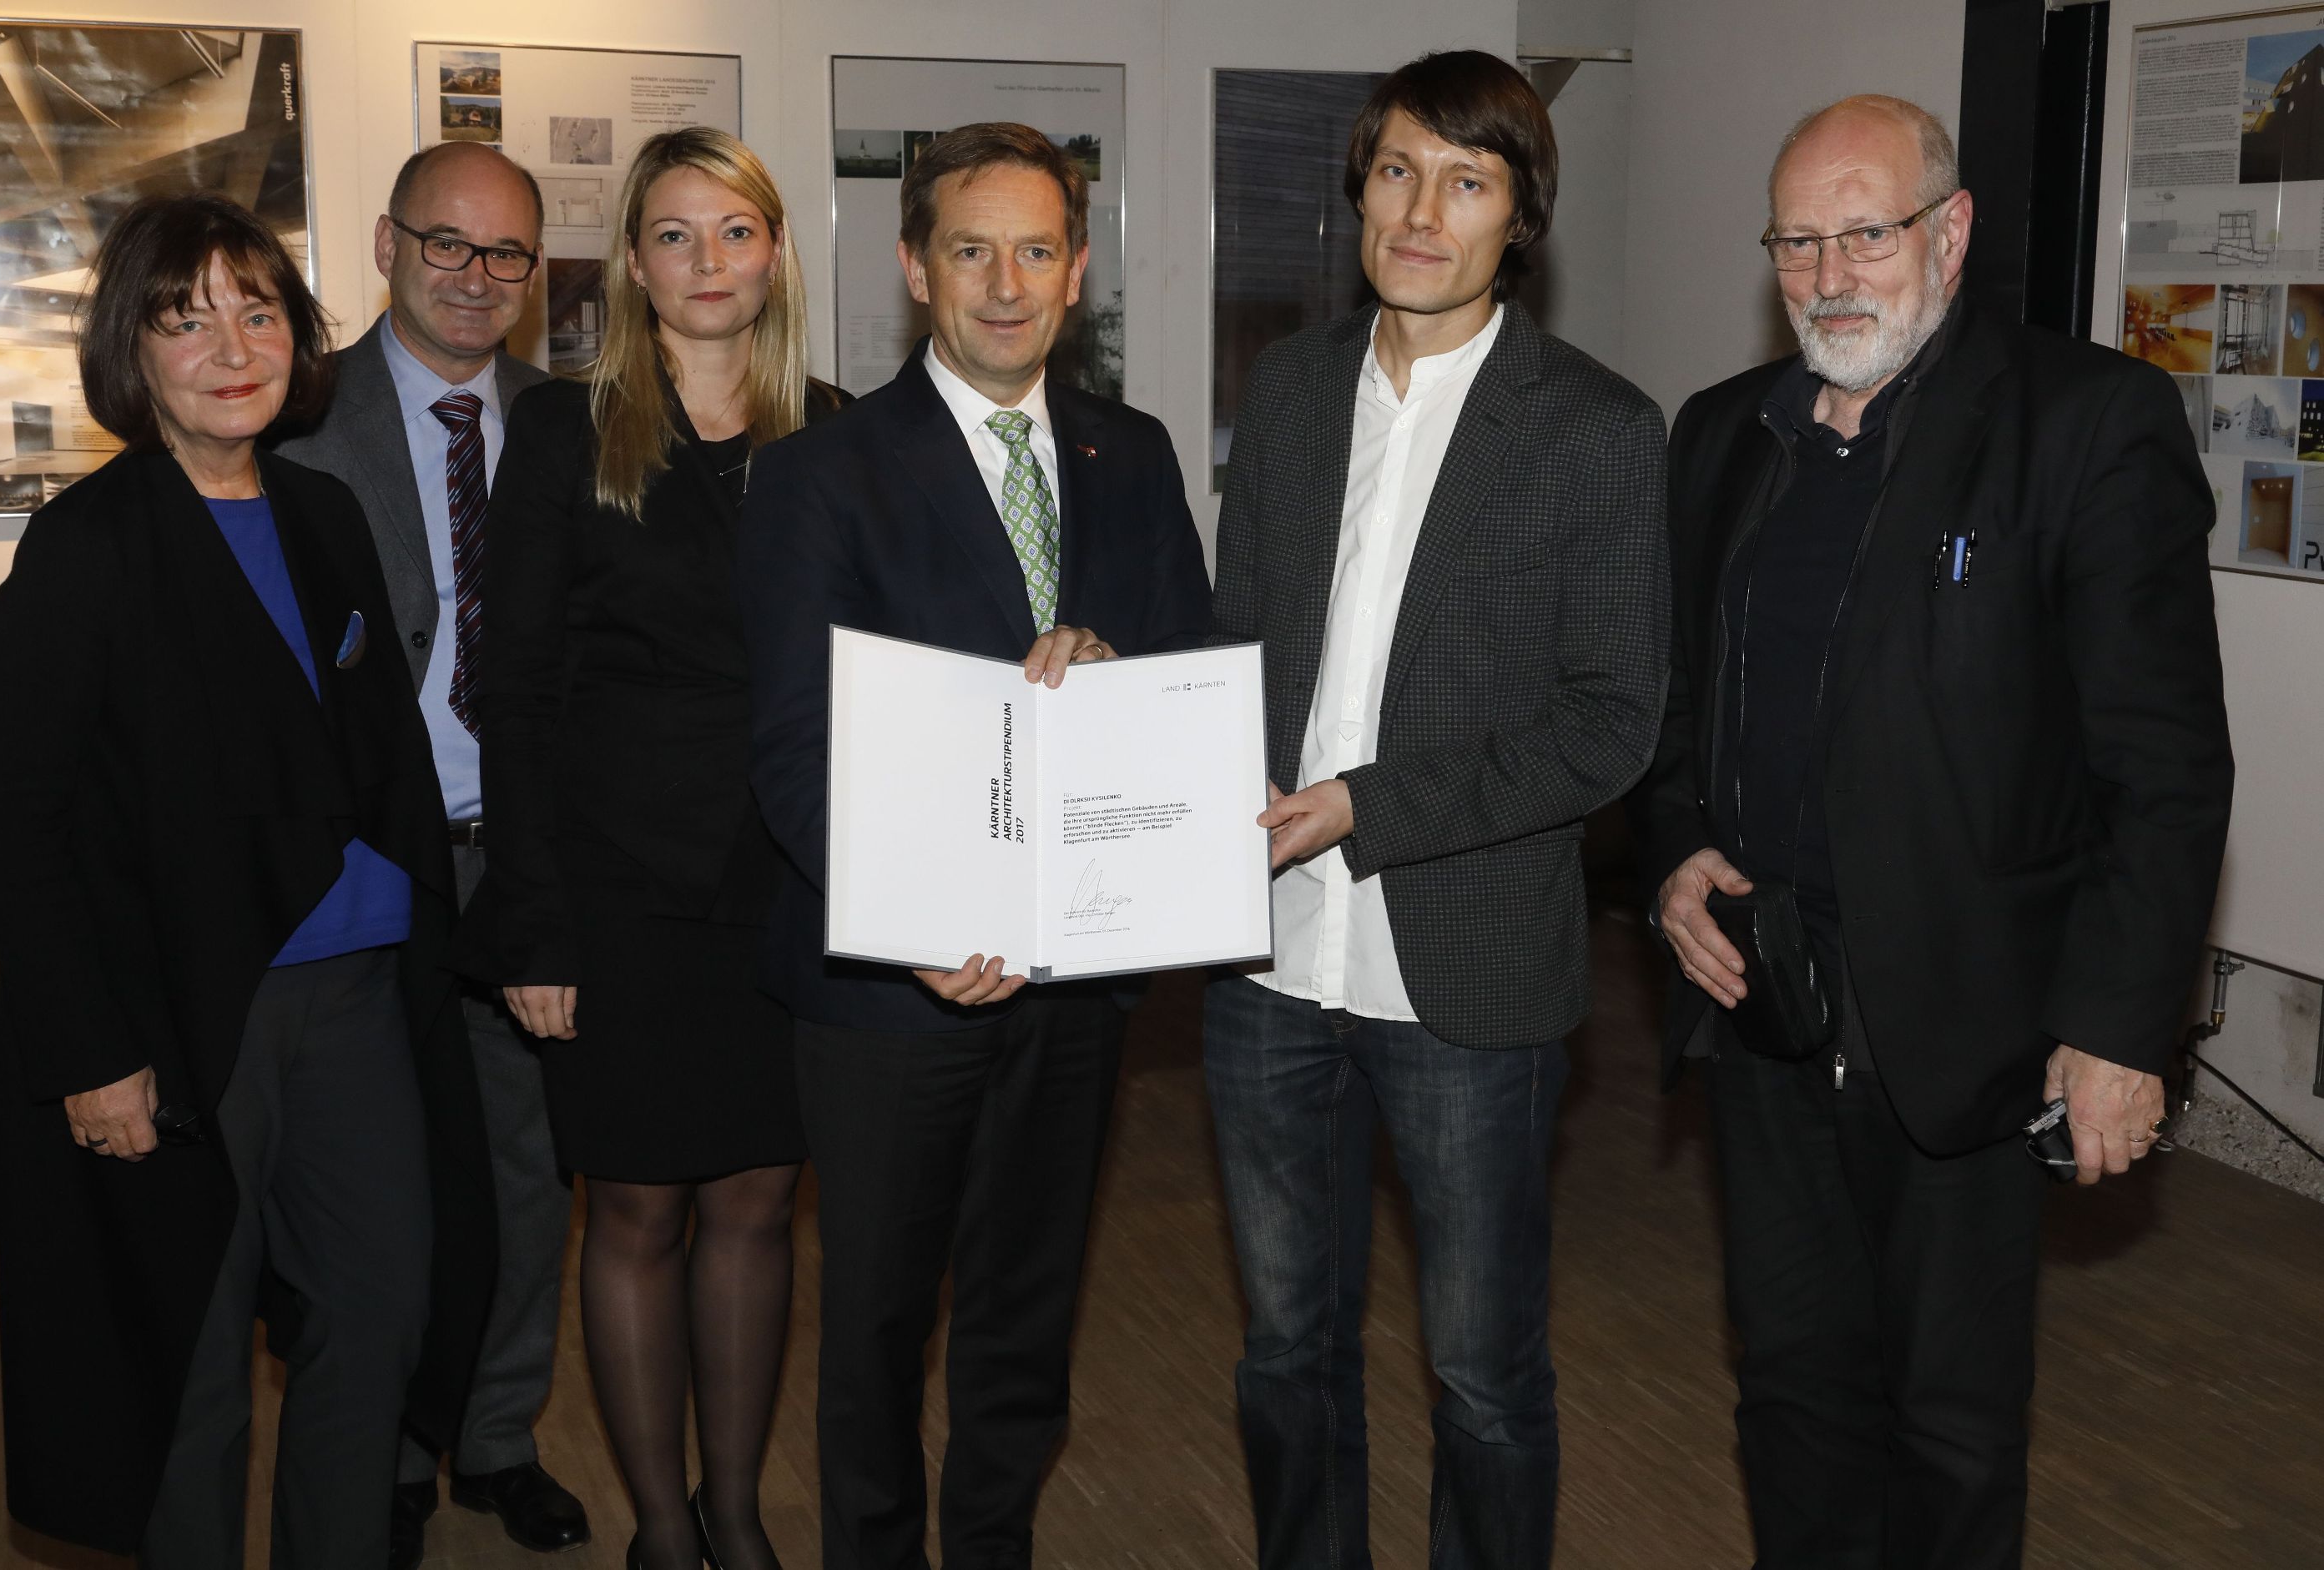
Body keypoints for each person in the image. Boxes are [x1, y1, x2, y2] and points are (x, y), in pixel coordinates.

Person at [1626, 96, 2232, 1570]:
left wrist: (2117, 1029)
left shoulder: (2084, 423)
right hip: (1763, 1001)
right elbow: (1677, 709)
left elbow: (2162, 766)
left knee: (1950, 1429)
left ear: (1948, 233)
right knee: (1788, 1390)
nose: (1829, 275)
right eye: (1797, 242)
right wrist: (1674, 847)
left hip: (1968, 1026)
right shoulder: (1719, 434)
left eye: (1865, 233)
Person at [0, 194, 489, 1566]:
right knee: (190, 1358)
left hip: (361, 996)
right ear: (131, 351)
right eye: (185, 318)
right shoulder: (86, 544)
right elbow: (21, 817)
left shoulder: (323, 511)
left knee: (379, 1310)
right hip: (190, 1014)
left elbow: (370, 758)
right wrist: (92, 1051)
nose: (232, 346)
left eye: (258, 311)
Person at [1201, 51, 1670, 1570]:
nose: (1420, 211)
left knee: (1481, 1377)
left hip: (1462, 973)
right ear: (1359, 193)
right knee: (1284, 1350)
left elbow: (1609, 724)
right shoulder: (1286, 389)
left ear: (1518, 218)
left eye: (1466, 181)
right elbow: (1236, 641)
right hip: (1265, 962)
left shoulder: (1596, 428)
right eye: (1397, 171)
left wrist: (1360, 804)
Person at [741, 123, 1212, 1570]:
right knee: (877, 1325)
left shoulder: (1131, 453)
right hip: (894, 997)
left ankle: (992, 1544)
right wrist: (915, 923)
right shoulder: (819, 474)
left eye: (1034, 251)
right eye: (969, 251)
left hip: (1075, 979)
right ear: (912, 266)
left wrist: (1117, 669)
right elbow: (793, 748)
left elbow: (1189, 681)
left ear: (1075, 271)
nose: (1004, 285)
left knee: (1026, 1313)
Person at [458, 126, 836, 1570]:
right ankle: (664, 1529)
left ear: (775, 252)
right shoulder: (567, 431)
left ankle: (734, 1511)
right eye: (673, 234)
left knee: (756, 1201)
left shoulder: (836, 431)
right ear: (632, 263)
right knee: (631, 1207)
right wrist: (533, 923)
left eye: (733, 230)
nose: (706, 260)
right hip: (613, 887)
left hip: (786, 880)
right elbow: (514, 690)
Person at [275, 140, 586, 1568]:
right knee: (380, 1189)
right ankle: (391, 1451)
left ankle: (498, 1434)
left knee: (527, 1177)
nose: (475, 275)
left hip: (521, 864)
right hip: (365, 871)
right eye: (446, 243)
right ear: (387, 244)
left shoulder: (570, 424)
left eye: (506, 252)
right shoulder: (296, 418)